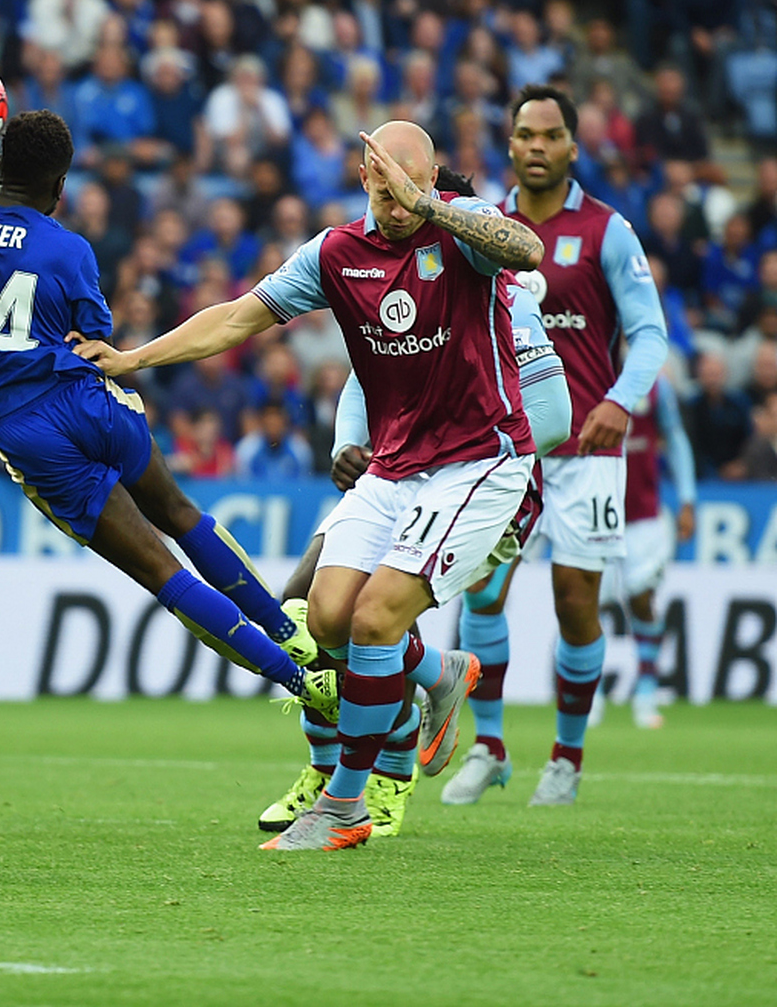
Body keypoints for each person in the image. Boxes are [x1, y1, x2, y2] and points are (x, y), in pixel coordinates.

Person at [75, 121, 547, 850]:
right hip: (393, 467)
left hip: (479, 459)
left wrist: (433, 209)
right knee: (321, 619)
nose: (397, 202)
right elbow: (235, 319)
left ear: (430, 177)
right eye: (385, 186)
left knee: (375, 619)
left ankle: (347, 805)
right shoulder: (335, 254)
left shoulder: (462, 231)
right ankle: (441, 670)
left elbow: (527, 249)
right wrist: (131, 359)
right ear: (364, 178)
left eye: (411, 185)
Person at [0, 110, 335, 717]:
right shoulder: (71, 248)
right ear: (61, 187)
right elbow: (95, 339)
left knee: (162, 572)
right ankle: (293, 634)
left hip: (28, 429)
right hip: (92, 400)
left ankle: (303, 683)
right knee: (182, 514)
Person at [256, 168, 573, 840]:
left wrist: (446, 434)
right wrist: (352, 441)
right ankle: (367, 736)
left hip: (482, 474)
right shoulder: (374, 271)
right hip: (398, 470)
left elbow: (551, 417)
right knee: (311, 607)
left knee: (380, 619)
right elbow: (380, 375)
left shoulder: (497, 290)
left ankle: (381, 783)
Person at [449, 85, 670, 807]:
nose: (536, 146)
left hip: (586, 454)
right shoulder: (485, 226)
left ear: (574, 146)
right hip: (504, 449)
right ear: (508, 145)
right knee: (482, 594)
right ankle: (488, 748)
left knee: (577, 603)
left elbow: (649, 335)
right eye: (524, 134)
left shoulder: (608, 230)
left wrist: (617, 401)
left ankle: (566, 758)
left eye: (550, 135)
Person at [599, 373, 696, 731]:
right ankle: (589, 694)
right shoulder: (587, 373)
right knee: (588, 604)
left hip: (644, 515)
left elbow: (675, 435)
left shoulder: (655, 385)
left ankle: (646, 691)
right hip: (596, 512)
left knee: (641, 598)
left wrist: (687, 498)